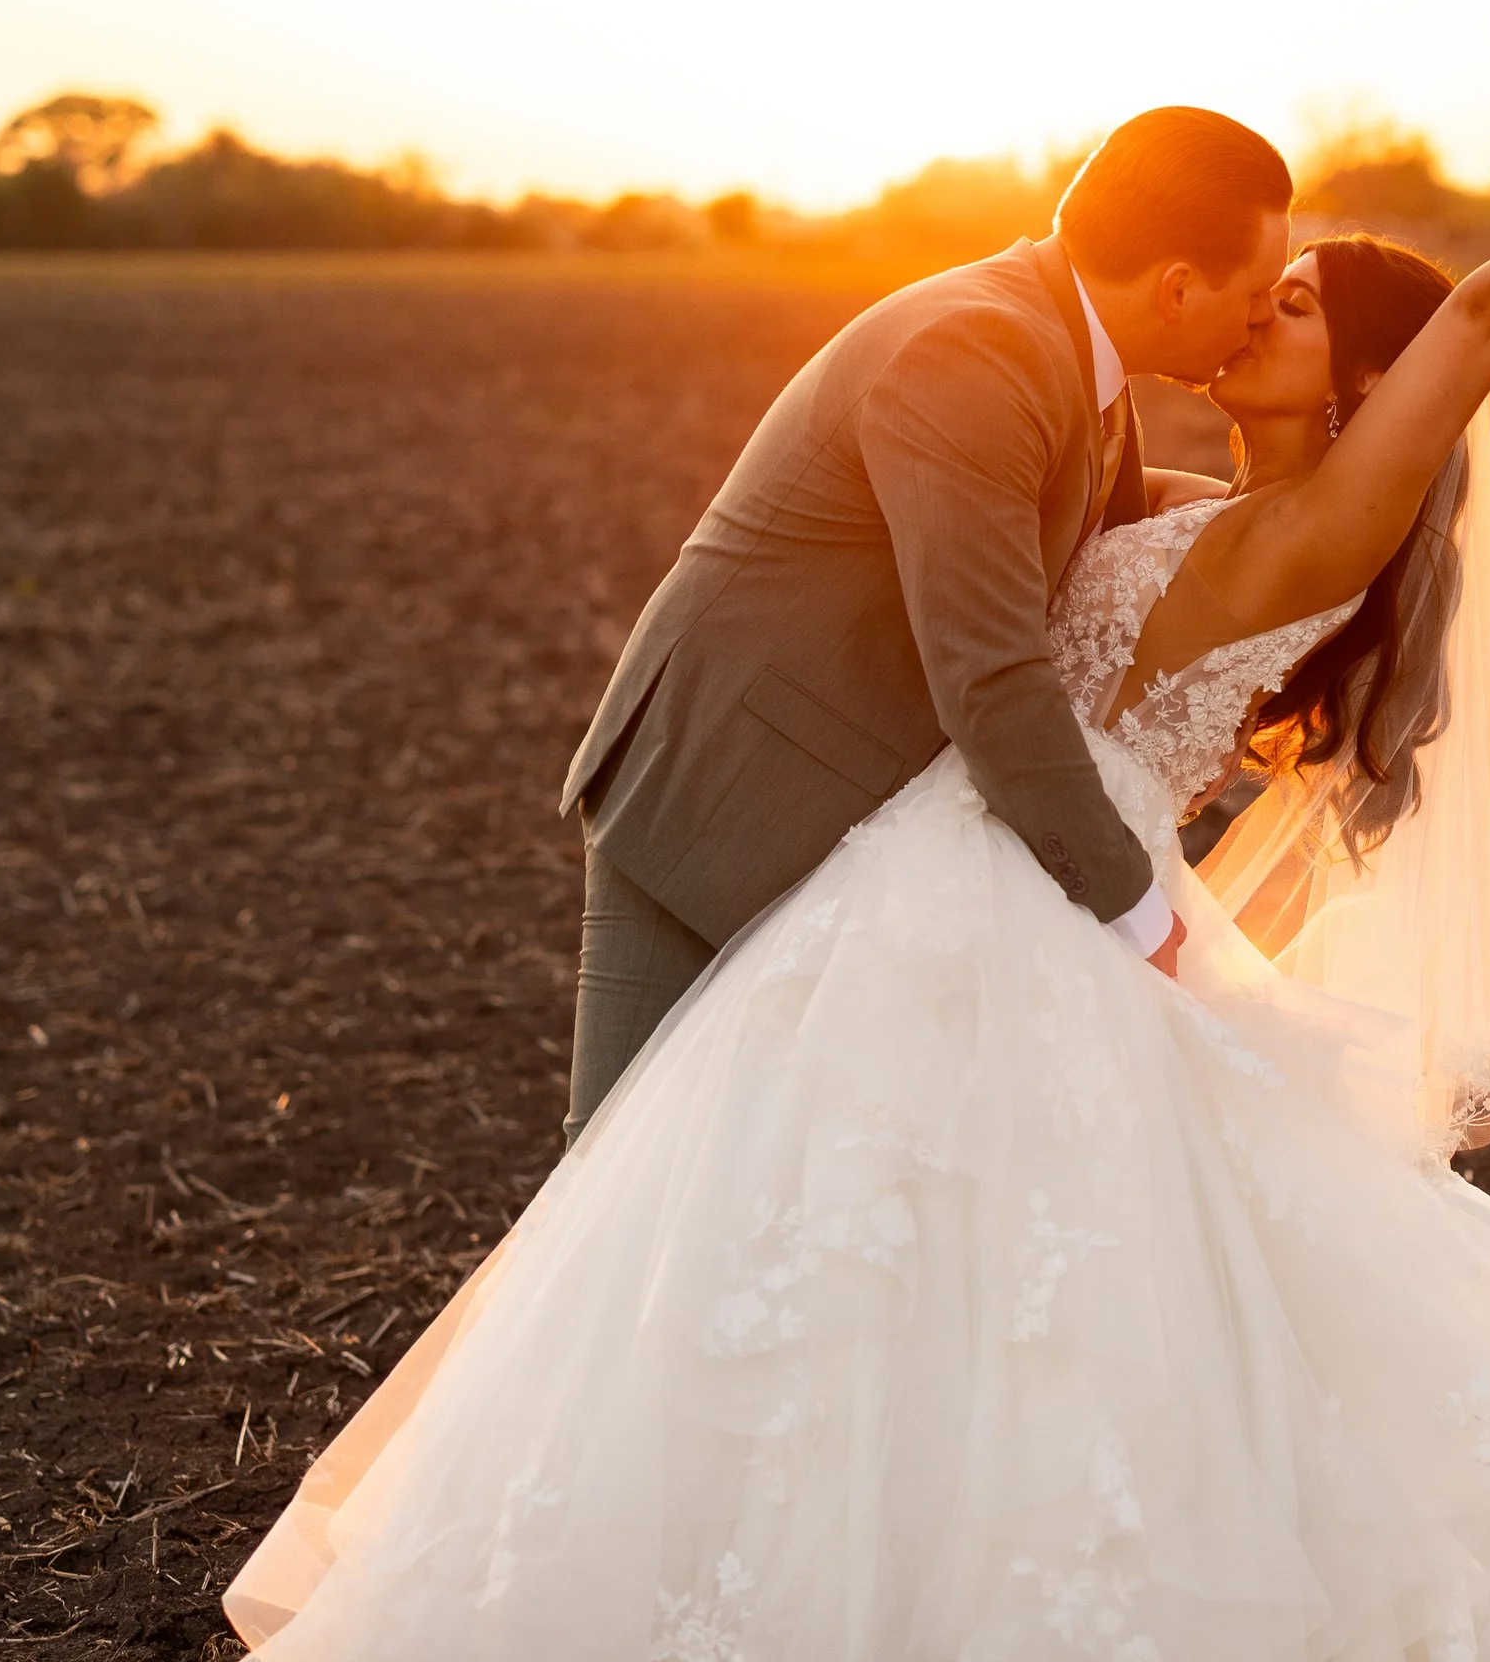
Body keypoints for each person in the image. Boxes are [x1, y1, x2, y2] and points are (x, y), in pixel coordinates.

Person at [167, 66, 1490, 1662]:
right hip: (955, 869)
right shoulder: (1187, 481)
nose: (1265, 314)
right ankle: (714, 1642)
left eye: (1298, 310)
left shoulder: (1330, 516)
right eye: (1257, 284)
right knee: (809, 1264)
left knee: (956, 1302)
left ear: (1376, 388)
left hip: (1032, 885)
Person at [553, 104, 1294, 1137]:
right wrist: (1135, 913)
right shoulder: (976, 352)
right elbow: (990, 672)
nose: (1261, 319)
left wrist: (1221, 513)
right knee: (625, 1181)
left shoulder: (1075, 354)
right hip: (725, 801)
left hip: (841, 809)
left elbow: (1073, 525)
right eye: (1257, 295)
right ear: (1176, 288)